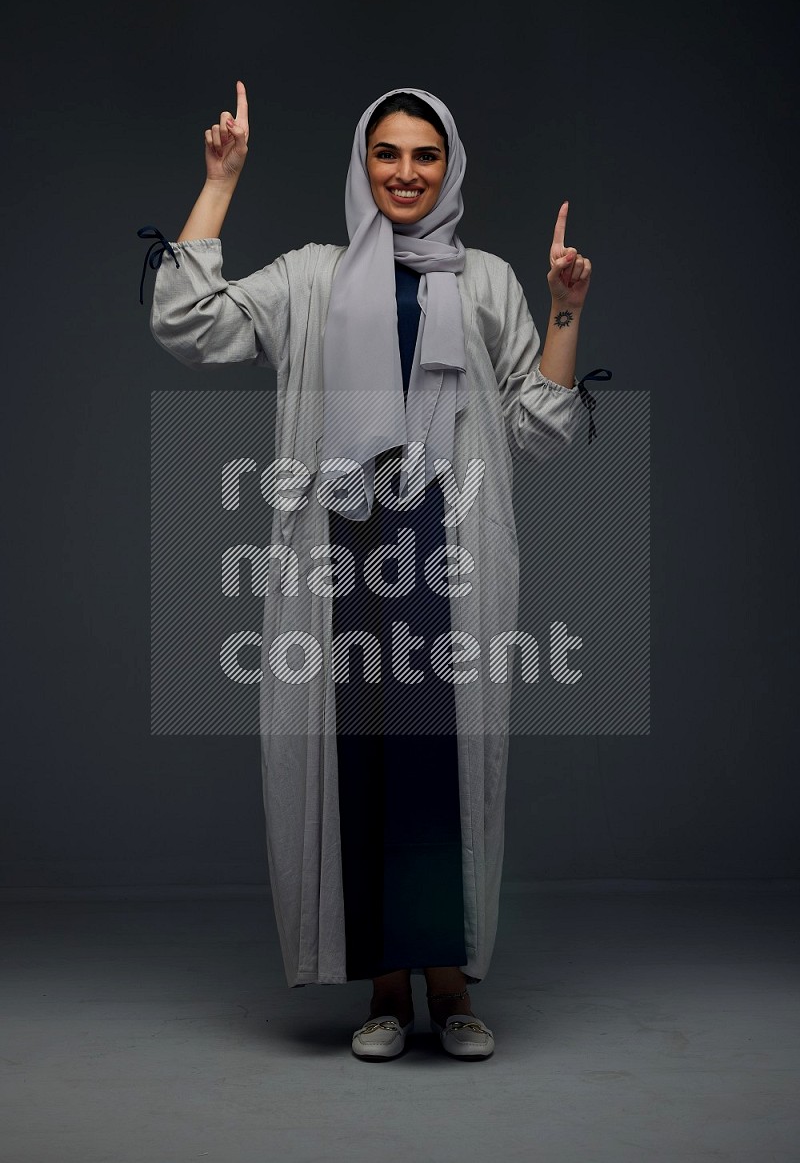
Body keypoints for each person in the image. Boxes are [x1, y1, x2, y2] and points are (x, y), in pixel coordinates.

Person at [143, 81, 600, 1062]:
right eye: (385, 154)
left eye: (423, 156)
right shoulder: (311, 277)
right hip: (338, 552)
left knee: (443, 767)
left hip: (449, 550)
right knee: (359, 767)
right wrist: (219, 182)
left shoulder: (481, 283)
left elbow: (539, 424)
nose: (403, 173)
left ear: (450, 168)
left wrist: (562, 311)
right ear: (362, 164)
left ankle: (451, 983)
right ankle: (385, 989)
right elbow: (188, 323)